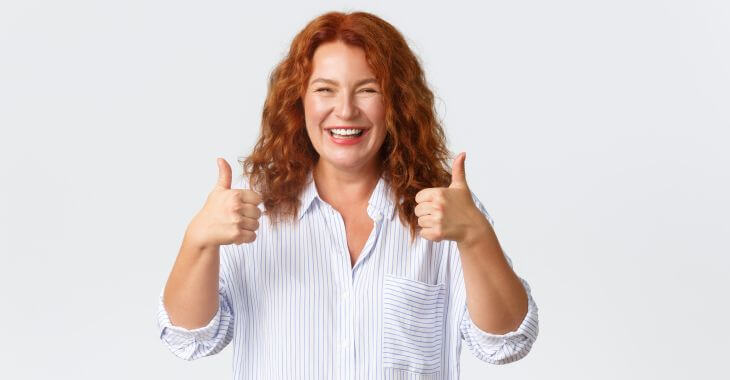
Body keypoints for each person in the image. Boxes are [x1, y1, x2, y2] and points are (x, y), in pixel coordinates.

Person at [157, 10, 538, 379]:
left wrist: (476, 236)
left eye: (368, 90)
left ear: (397, 103)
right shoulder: (246, 210)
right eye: (325, 89)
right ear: (299, 100)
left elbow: (506, 343)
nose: (345, 110)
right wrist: (198, 242)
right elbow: (190, 338)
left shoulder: (447, 210)